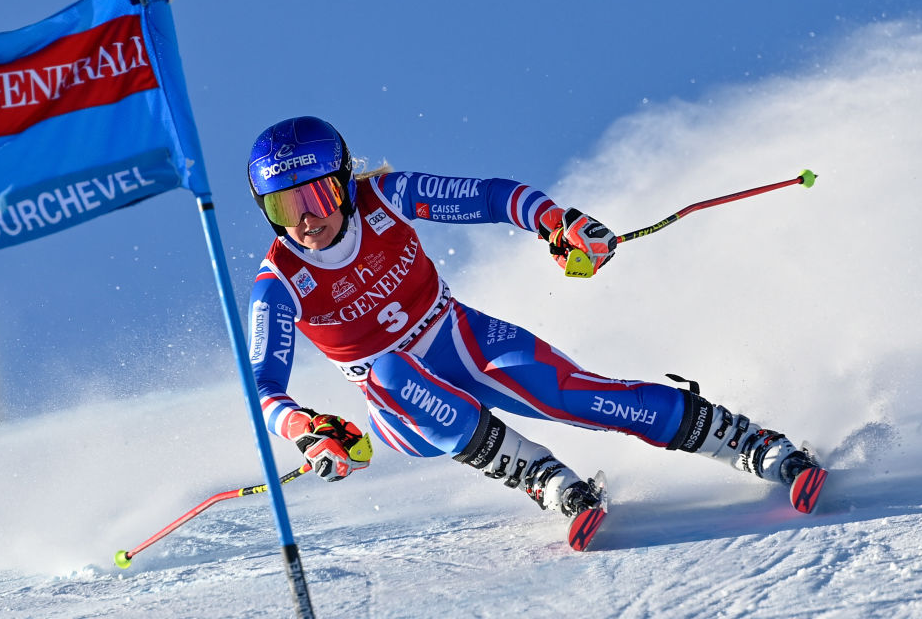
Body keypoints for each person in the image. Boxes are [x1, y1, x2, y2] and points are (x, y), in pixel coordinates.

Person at [245, 116, 822, 524]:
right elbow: (263, 387)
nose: (305, 221)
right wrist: (305, 429)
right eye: (283, 207)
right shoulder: (278, 285)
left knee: (568, 394)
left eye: (316, 197)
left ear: (344, 183)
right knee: (391, 371)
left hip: (461, 337)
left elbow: (492, 197)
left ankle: (749, 443)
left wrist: (557, 222)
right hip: (402, 408)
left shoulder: (386, 197)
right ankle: (542, 479)